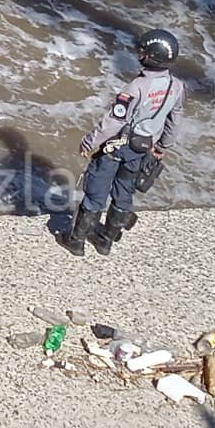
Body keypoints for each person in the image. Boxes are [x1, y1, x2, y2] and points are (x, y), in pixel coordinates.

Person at [59, 29, 186, 257]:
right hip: (143, 148)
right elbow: (174, 120)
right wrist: (162, 146)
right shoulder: (176, 86)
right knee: (124, 191)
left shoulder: (136, 87)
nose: (140, 52)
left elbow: (113, 122)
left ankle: (76, 241)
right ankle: (106, 241)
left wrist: (90, 141)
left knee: (96, 191)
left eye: (143, 50)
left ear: (149, 56)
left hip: (116, 147)